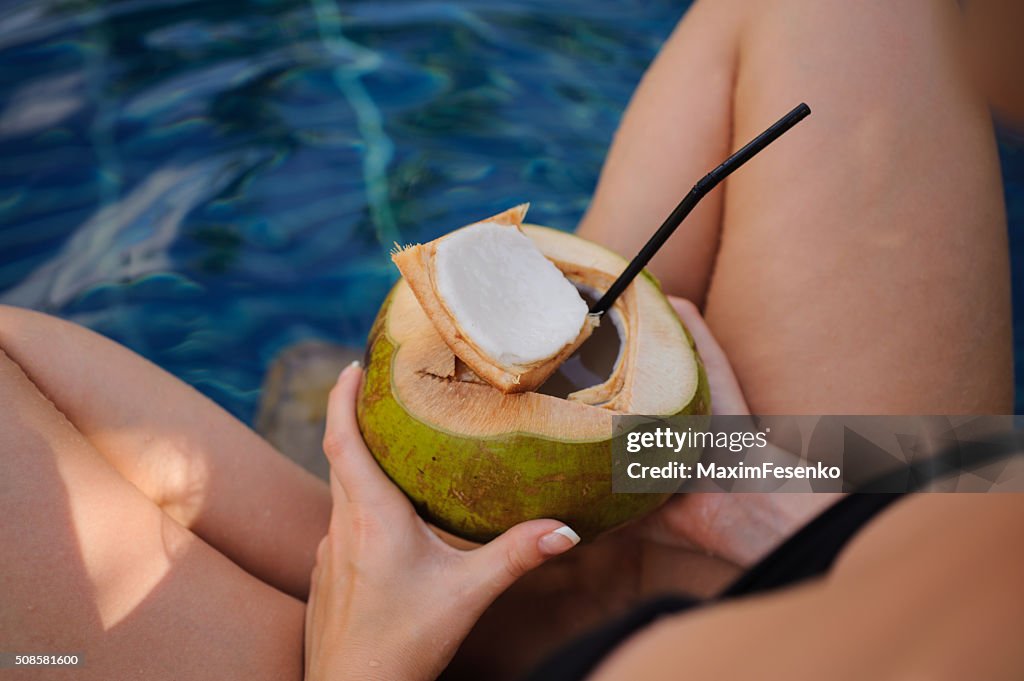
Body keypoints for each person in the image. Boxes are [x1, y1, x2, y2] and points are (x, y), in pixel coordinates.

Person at [1, 1, 1021, 680]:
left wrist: (363, 664)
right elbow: (986, 470)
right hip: (833, 566)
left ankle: (369, 558)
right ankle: (447, 528)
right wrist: (756, 495)